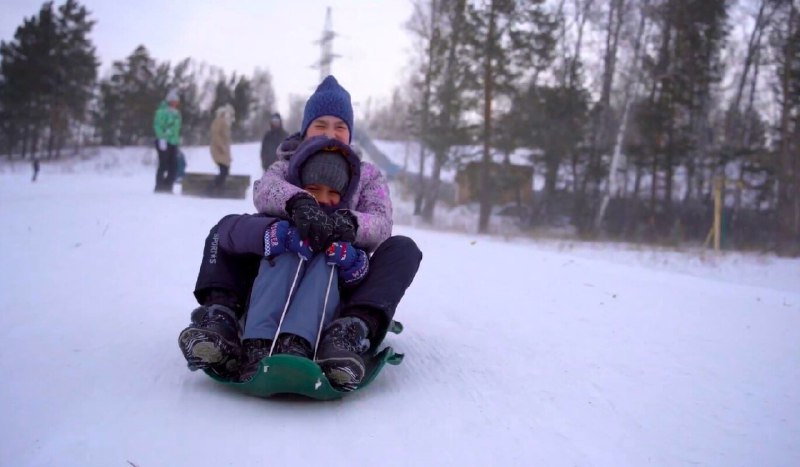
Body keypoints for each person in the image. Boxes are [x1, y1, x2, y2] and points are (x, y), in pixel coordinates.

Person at [179, 75, 422, 391]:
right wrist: (296, 201)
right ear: (306, 129)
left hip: (341, 271)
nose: (331, 133)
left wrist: (349, 223)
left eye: (340, 126)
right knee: (226, 230)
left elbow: (380, 223)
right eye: (321, 125)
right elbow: (265, 191)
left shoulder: (367, 175)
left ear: (350, 132)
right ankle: (222, 317)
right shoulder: (287, 164)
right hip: (279, 263)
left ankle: (349, 330)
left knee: (403, 248)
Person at [153, 89, 182, 193]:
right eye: (174, 101)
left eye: (177, 102)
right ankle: (159, 186)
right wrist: (161, 138)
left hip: (173, 142)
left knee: (173, 166)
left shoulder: (176, 113)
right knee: (163, 164)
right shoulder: (161, 112)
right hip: (163, 141)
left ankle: (168, 186)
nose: (176, 103)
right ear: (170, 101)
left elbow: (176, 128)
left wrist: (177, 139)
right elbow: (158, 126)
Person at [210, 104, 234, 193]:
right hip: (218, 149)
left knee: (225, 171)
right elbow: (216, 135)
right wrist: (222, 147)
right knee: (223, 170)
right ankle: (215, 187)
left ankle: (218, 187)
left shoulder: (225, 122)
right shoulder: (219, 121)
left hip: (223, 151)